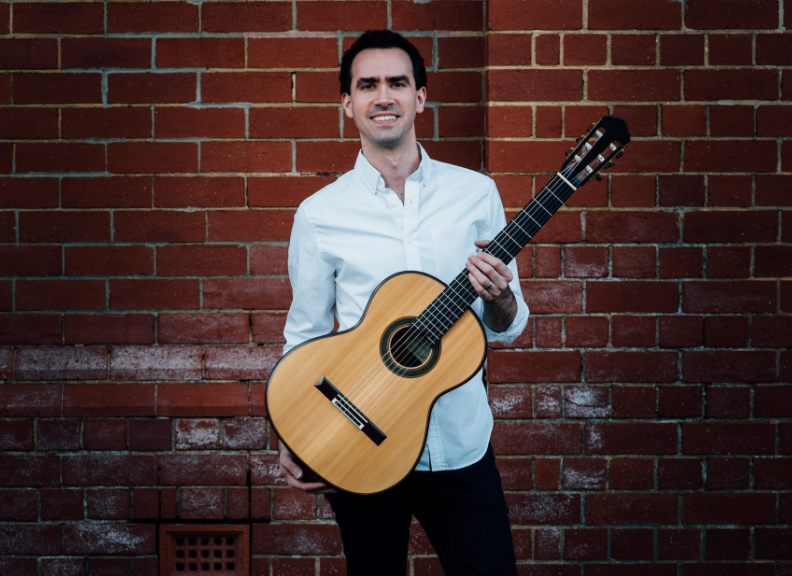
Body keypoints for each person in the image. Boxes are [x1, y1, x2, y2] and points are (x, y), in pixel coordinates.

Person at [277, 30, 529, 576]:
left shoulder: (475, 193)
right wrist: (296, 433)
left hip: (461, 446)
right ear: (348, 103)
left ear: (420, 97)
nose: (383, 96)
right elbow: (305, 336)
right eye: (367, 85)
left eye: (397, 82)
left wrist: (501, 297)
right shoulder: (320, 214)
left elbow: (507, 326)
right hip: (360, 441)